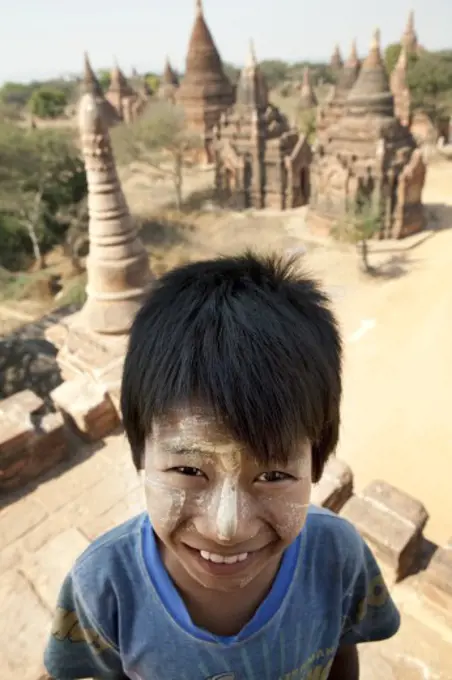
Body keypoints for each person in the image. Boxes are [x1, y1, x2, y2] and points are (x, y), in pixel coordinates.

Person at [44, 252, 400, 680]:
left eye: (272, 476)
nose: (227, 527)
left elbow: (344, 650)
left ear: (318, 462)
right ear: (140, 454)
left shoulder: (339, 558)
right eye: (189, 471)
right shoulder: (103, 586)